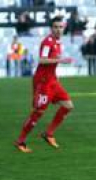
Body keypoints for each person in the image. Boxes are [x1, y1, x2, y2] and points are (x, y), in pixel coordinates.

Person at [14, 16, 73, 153]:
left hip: (52, 80)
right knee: (38, 112)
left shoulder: (58, 42)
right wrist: (61, 60)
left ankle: (48, 133)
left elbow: (52, 59)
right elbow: (42, 60)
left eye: (60, 27)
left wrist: (59, 59)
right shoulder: (48, 42)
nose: (58, 30)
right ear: (51, 28)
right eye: (56, 27)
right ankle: (20, 141)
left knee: (68, 105)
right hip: (43, 81)